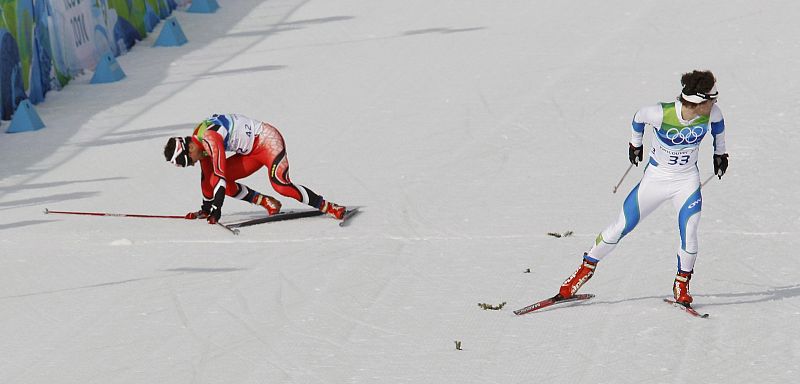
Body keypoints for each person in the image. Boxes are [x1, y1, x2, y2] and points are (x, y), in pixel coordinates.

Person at [558, 70, 729, 306]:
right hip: (655, 181)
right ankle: (581, 273)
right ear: (699, 101)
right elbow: (639, 117)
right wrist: (635, 144)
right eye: (712, 100)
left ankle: (681, 286)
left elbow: (719, 127)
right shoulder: (660, 113)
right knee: (621, 226)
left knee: (689, 234)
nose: (715, 104)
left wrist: (721, 153)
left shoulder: (712, 114)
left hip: (686, 182)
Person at [163, 113, 346, 224]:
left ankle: (328, 206)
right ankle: (265, 201)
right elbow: (207, 179)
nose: (192, 164)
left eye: (187, 162)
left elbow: (219, 173)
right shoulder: (198, 142)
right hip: (251, 153)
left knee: (281, 185)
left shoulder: (209, 139)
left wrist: (217, 208)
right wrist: (206, 208)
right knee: (212, 179)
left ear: (190, 148)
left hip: (268, 142)